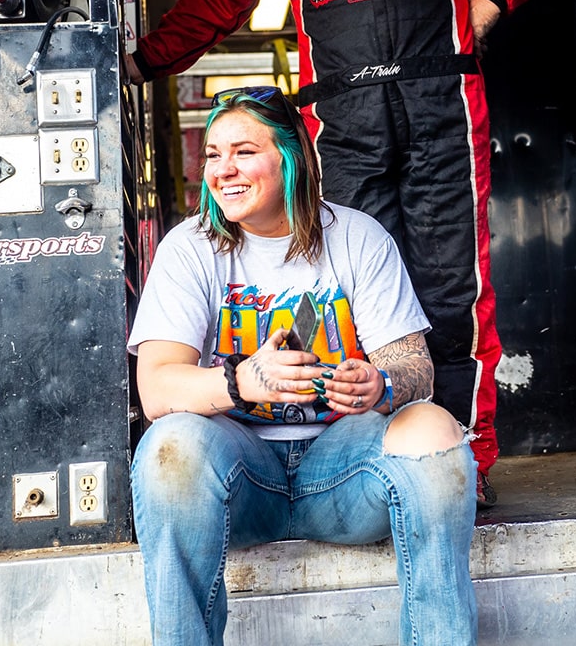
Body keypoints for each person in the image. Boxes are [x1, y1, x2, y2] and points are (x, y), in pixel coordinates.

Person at [127, 0, 553, 506]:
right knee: (349, 292)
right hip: (342, 117)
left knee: (455, 291)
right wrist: (142, 62)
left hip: (441, 105)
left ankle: (464, 459)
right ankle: (363, 457)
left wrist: (488, 3)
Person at [127, 86, 478, 646]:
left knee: (434, 427)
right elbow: (158, 387)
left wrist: (379, 384)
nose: (223, 170)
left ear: (292, 157)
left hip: (341, 474)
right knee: (170, 446)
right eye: (214, 155)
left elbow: (416, 367)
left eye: (243, 151)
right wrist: (241, 380)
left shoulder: (358, 237)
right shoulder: (189, 249)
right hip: (238, 475)